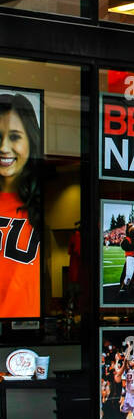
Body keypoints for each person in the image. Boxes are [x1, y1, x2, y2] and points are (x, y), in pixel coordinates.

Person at [0, 92, 41, 319]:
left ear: (30, 140)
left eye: (14, 137)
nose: (4, 147)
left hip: (30, 336)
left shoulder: (43, 203)